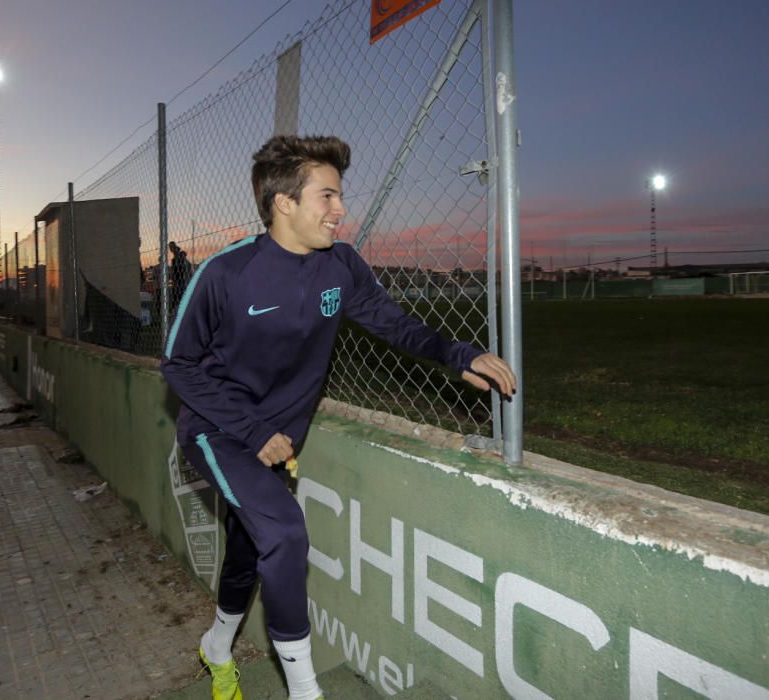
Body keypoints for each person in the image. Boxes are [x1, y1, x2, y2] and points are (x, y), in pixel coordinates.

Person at [160, 135, 516, 700]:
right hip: (219, 432)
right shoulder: (225, 274)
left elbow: (394, 324)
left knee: (253, 548)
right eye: (327, 196)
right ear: (284, 203)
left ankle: (216, 648)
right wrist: (254, 431)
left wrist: (459, 354)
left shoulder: (341, 266)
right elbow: (178, 365)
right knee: (284, 531)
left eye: (340, 196)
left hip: (277, 439)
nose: (340, 209)